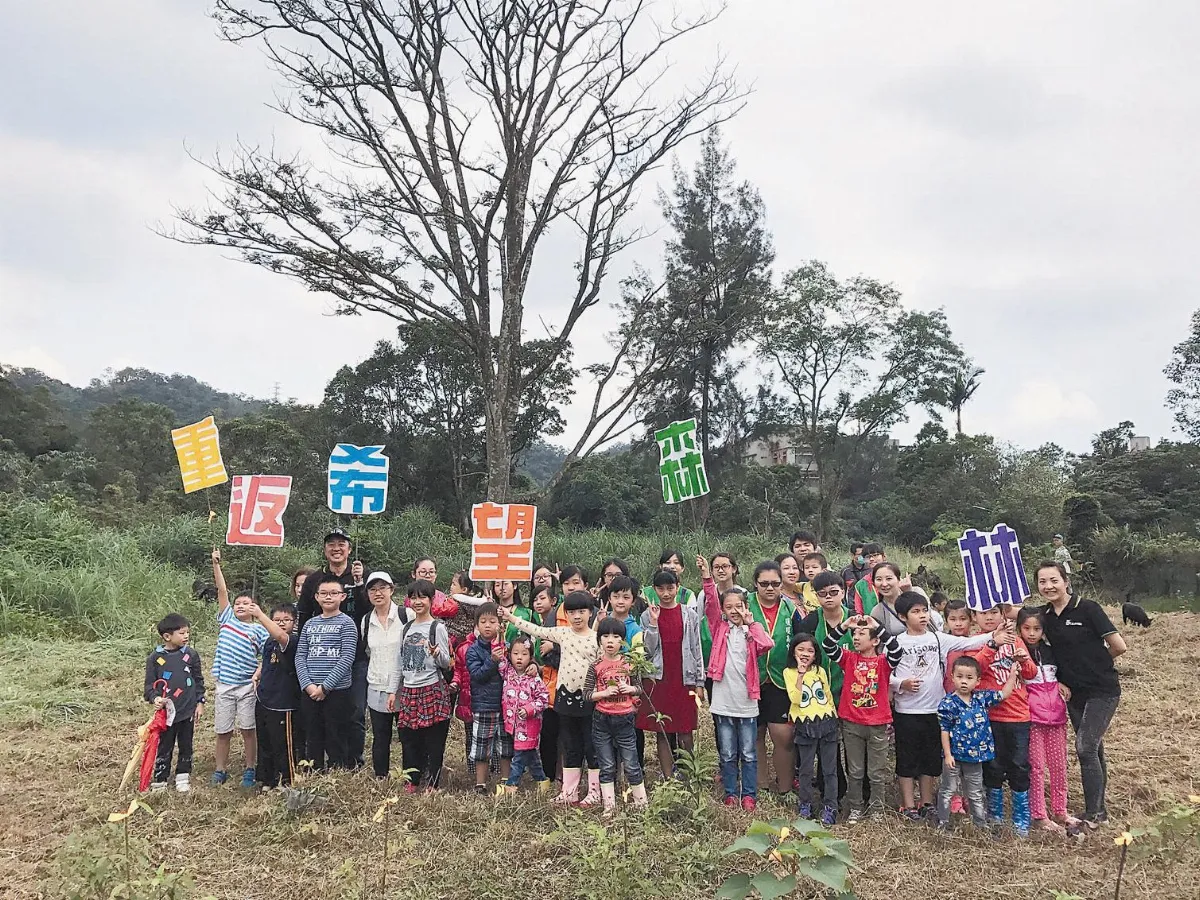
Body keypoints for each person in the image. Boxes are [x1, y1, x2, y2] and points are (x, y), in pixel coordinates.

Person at [891, 591, 1009, 821]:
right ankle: (907, 804)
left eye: (925, 610)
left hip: (934, 709)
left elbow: (967, 641)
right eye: (916, 612)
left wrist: (993, 637)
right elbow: (885, 674)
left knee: (929, 759)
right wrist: (900, 683)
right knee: (906, 758)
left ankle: (926, 802)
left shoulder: (937, 639)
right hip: (906, 711)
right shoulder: (896, 643)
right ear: (902, 616)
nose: (922, 616)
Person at [1036, 561, 1126, 829]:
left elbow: (1119, 646)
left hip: (1102, 690)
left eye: (1054, 580)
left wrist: (1096, 663)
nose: (1049, 586)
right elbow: (1019, 615)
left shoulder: (1088, 608)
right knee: (1094, 748)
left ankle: (1094, 813)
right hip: (1073, 693)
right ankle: (1100, 809)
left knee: (1085, 747)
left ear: (1065, 581)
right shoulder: (1046, 616)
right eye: (1042, 582)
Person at [500, 592, 601, 805]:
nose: (577, 616)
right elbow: (537, 630)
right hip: (564, 699)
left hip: (589, 700)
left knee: (591, 746)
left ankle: (594, 792)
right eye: (571, 612)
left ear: (590, 613)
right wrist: (511, 618)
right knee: (570, 745)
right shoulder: (563, 634)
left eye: (582, 612)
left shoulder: (596, 639)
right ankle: (569, 791)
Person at [702, 569, 774, 811]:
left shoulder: (751, 632)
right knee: (728, 753)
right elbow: (711, 602)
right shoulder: (719, 629)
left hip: (747, 702)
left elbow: (767, 644)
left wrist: (750, 622)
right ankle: (731, 793)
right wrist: (706, 579)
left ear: (746, 606)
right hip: (723, 701)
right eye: (729, 607)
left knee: (749, 753)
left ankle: (749, 795)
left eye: (739, 606)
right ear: (723, 610)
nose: (735, 611)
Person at [296, 529, 368, 768]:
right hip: (318, 659)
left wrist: (360, 584)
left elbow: (369, 610)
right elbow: (304, 616)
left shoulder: (361, 575)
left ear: (349, 548)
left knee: (355, 711)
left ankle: (353, 761)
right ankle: (317, 762)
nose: (336, 548)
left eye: (341, 544)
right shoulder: (314, 580)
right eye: (331, 544)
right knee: (318, 716)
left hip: (355, 656)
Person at [821, 615, 902, 824]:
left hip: (877, 724)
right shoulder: (849, 659)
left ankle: (877, 808)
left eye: (862, 633)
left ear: (875, 641)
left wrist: (878, 627)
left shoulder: (883, 662)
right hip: (851, 723)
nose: (856, 637)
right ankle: (855, 806)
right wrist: (844, 626)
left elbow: (897, 651)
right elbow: (828, 645)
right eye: (854, 634)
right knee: (855, 770)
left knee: (876, 772)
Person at [969, 603, 1038, 836]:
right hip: (990, 715)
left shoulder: (1016, 640)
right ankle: (995, 813)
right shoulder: (975, 642)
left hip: (1018, 715)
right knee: (994, 765)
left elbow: (1031, 673)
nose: (989, 617)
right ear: (974, 617)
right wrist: (992, 644)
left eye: (994, 613)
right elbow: (974, 669)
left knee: (1019, 764)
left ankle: (1021, 815)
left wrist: (1023, 660)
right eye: (983, 613)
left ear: (1003, 615)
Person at [936, 656, 1020, 830]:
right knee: (948, 789)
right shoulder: (948, 703)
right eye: (959, 677)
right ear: (952, 677)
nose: (964, 682)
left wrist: (1012, 675)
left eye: (969, 677)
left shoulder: (981, 698)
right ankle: (942, 822)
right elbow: (944, 730)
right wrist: (948, 754)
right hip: (954, 756)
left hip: (976, 757)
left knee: (975, 792)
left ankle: (980, 825)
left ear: (977, 680)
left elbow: (1003, 694)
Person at [1018, 607, 1082, 836]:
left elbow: (1061, 675)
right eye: (1027, 628)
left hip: (1056, 716)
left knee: (1058, 766)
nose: (1032, 633)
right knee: (1036, 768)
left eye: (1037, 628)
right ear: (1019, 629)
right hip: (1032, 718)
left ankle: (1060, 810)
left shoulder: (1051, 651)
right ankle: (1039, 814)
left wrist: (1061, 686)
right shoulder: (1018, 652)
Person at [637, 568, 704, 780]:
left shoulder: (690, 615)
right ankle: (667, 777)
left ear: (678, 586)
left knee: (685, 730)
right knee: (662, 730)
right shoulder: (647, 615)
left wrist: (700, 682)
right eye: (661, 589)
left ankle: (688, 774)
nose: (666, 593)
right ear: (654, 589)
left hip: (684, 677)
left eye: (670, 588)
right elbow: (645, 650)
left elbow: (697, 649)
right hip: (658, 680)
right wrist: (654, 623)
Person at [387, 579, 453, 791]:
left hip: (432, 688)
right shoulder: (405, 628)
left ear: (431, 600)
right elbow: (399, 661)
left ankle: (432, 783)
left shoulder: (438, 627)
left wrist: (436, 653)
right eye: (413, 597)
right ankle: (411, 781)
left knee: (433, 740)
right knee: (409, 739)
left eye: (422, 597)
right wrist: (392, 691)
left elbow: (446, 663)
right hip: (409, 690)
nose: (417, 601)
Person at [793, 571, 853, 803]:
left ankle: (861, 792)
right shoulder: (811, 621)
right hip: (819, 693)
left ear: (843, 592)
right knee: (827, 744)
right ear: (816, 597)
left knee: (852, 744)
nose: (829, 598)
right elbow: (801, 651)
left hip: (850, 690)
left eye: (834, 592)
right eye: (822, 594)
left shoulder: (856, 619)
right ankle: (833, 792)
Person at [209, 549, 268, 787]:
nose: (241, 606)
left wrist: (258, 673)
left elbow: (268, 656)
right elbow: (222, 591)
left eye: (247, 603)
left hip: (246, 686)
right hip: (224, 685)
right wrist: (216, 565)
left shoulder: (259, 629)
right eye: (238, 603)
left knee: (248, 729)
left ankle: (250, 768)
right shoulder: (227, 620)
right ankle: (220, 769)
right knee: (223, 731)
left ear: (255, 608)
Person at [295, 572, 359, 772]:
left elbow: (347, 658)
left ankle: (337, 775)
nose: (328, 597)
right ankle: (314, 772)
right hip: (310, 691)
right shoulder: (309, 624)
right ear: (316, 597)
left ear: (343, 596)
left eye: (333, 593)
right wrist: (308, 685)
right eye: (324, 593)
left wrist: (325, 687)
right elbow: (300, 657)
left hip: (337, 691)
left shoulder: (347, 623)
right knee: (312, 735)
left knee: (336, 735)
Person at [585, 617, 648, 813]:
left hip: (625, 718)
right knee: (607, 764)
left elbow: (639, 688)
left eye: (615, 636)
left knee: (631, 763)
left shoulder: (629, 663)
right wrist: (603, 693)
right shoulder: (595, 666)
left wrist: (628, 688)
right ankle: (609, 807)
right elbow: (586, 694)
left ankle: (641, 804)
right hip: (601, 719)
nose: (610, 641)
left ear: (622, 640)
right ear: (599, 640)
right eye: (605, 636)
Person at [747, 560, 796, 796]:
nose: (769, 588)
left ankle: (785, 788)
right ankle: (761, 785)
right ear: (755, 583)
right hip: (751, 678)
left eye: (775, 583)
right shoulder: (744, 605)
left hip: (781, 680)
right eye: (764, 583)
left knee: (783, 735)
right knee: (755, 733)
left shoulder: (792, 609)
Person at [144, 613, 206, 793]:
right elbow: (149, 686)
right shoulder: (155, 658)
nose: (186, 636)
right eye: (181, 633)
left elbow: (198, 680)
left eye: (187, 632)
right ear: (167, 636)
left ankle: (183, 775)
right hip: (166, 713)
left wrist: (200, 702)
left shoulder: (191, 655)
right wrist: (155, 698)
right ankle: (161, 777)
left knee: (186, 744)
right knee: (165, 745)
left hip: (187, 709)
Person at [785, 634, 838, 824]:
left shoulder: (820, 671)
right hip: (804, 724)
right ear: (793, 651)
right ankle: (805, 804)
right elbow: (796, 699)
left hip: (827, 722)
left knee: (829, 769)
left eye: (810, 650)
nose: (805, 654)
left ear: (816, 655)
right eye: (801, 649)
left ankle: (830, 806)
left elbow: (827, 695)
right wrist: (800, 674)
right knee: (806, 769)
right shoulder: (789, 673)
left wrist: (833, 715)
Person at [361, 573, 408, 780]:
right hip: (377, 685)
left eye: (382, 587)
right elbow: (366, 652)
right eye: (372, 589)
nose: (377, 593)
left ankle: (409, 777)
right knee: (380, 736)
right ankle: (381, 776)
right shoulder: (365, 621)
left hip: (405, 686)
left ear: (392, 589)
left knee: (408, 736)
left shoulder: (406, 615)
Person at [248, 601, 300, 788]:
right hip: (264, 699)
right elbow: (267, 660)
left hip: (284, 702)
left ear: (294, 622)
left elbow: (280, 636)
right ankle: (267, 779)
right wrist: (257, 674)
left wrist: (259, 615)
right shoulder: (270, 641)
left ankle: (286, 781)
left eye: (287, 619)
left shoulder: (293, 641)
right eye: (276, 619)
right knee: (265, 741)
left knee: (283, 744)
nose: (281, 623)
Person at [467, 602, 512, 792]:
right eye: (483, 621)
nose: (487, 625)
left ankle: (506, 781)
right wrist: (492, 660)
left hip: (506, 705)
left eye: (492, 621)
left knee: (506, 746)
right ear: (476, 625)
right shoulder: (473, 650)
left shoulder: (508, 648)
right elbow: (477, 675)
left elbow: (519, 667)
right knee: (482, 747)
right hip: (484, 705)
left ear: (500, 625)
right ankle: (480, 783)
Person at [502, 635, 551, 794]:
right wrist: (500, 633)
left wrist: (529, 709)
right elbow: (499, 654)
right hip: (513, 725)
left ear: (530, 656)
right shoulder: (508, 672)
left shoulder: (534, 679)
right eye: (515, 653)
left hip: (529, 725)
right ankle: (542, 781)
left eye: (524, 654)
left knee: (519, 757)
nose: (519, 658)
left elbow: (544, 699)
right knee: (531, 755)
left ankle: (511, 785)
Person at [850, 543, 888, 615]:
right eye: (868, 557)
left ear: (884, 556)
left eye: (875, 555)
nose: (871, 559)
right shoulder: (861, 585)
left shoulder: (893, 578)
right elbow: (859, 612)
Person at [493, 579, 533, 645]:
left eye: (506, 584)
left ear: (514, 585)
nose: (501, 588)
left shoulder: (526, 613)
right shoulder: (490, 611)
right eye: (497, 585)